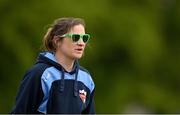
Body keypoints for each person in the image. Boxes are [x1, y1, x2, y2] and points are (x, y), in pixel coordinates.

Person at [11, 17, 95, 114]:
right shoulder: (39, 74)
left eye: (84, 38)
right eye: (75, 37)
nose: (81, 43)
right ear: (57, 41)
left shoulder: (86, 78)